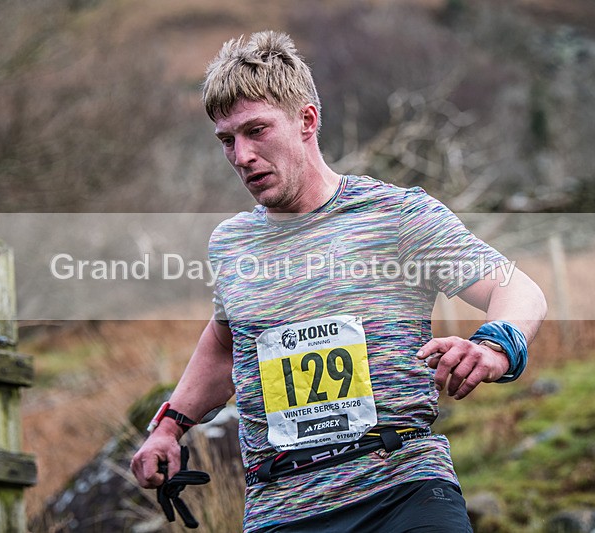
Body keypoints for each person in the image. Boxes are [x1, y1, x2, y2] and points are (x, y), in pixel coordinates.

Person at [131, 31, 547, 532]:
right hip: (283, 508)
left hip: (403, 489)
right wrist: (168, 428)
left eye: (256, 131)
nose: (241, 155)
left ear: (306, 121)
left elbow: (517, 289)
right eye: (227, 140)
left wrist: (496, 346)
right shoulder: (232, 244)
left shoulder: (395, 215)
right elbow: (226, 344)